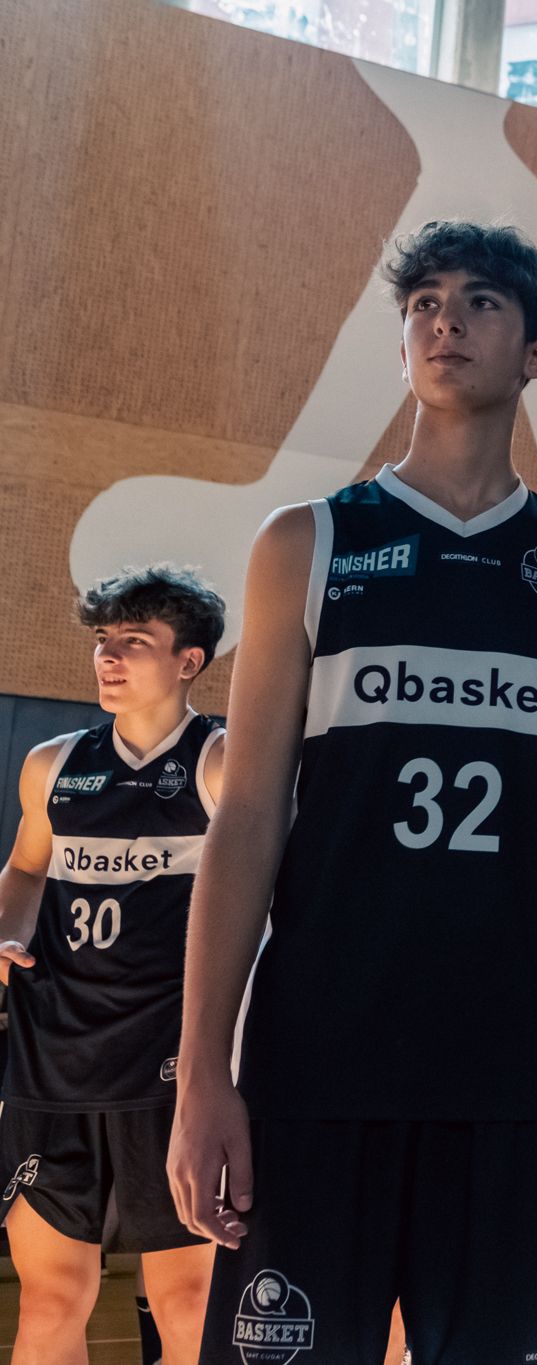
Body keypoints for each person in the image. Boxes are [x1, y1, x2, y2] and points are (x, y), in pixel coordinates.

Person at [167, 221, 537, 1363]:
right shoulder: (309, 544)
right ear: (401, 345)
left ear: (535, 352)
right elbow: (245, 822)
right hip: (313, 1061)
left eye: (481, 302)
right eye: (424, 303)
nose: (446, 320)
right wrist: (202, 1075)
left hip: (511, 1073)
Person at [0, 566, 227, 1365]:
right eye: (104, 640)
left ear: (189, 660)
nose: (110, 657)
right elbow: (26, 871)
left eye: (135, 641)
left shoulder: (221, 763)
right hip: (53, 1060)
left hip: (170, 1068)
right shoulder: (53, 764)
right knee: (52, 1296)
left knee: (189, 1305)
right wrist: (7, 932)